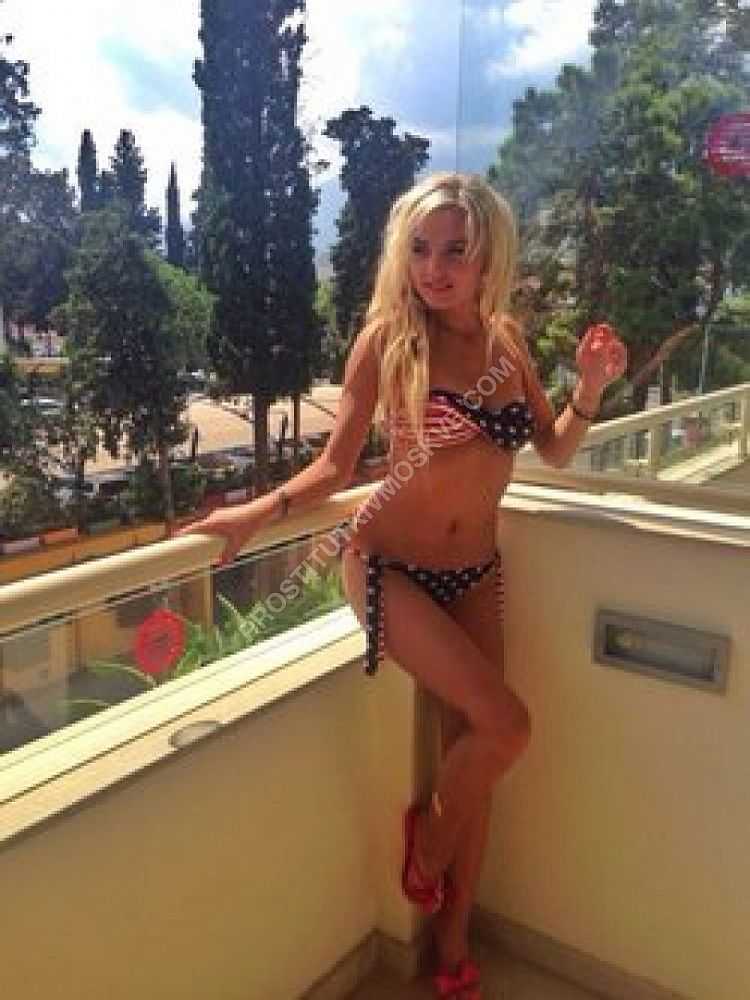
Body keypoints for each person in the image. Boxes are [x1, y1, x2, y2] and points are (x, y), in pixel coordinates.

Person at [176, 172, 627, 999]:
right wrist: (258, 512)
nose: (435, 268)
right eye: (420, 249)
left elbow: (555, 449)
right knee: (508, 725)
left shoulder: (507, 344)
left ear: (488, 254)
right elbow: (335, 465)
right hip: (390, 571)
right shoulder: (388, 340)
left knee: (480, 757)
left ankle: (451, 942)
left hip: (475, 574)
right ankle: (425, 847)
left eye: (455, 250)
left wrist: (590, 391)